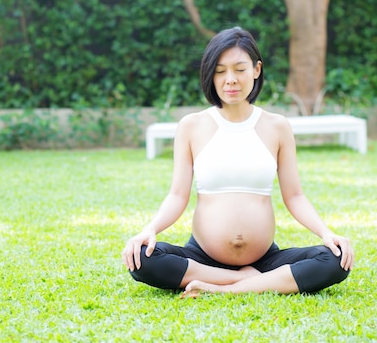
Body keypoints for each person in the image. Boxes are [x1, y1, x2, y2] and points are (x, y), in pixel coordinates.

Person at [122, 26, 354, 297]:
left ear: (256, 69)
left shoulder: (277, 126)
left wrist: (327, 234)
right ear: (210, 74)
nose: (230, 79)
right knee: (142, 258)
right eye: (220, 71)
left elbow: (295, 196)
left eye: (239, 69)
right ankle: (248, 280)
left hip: (265, 259)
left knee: (336, 260)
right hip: (203, 258)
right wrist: (149, 230)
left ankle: (224, 289)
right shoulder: (192, 126)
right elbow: (177, 195)